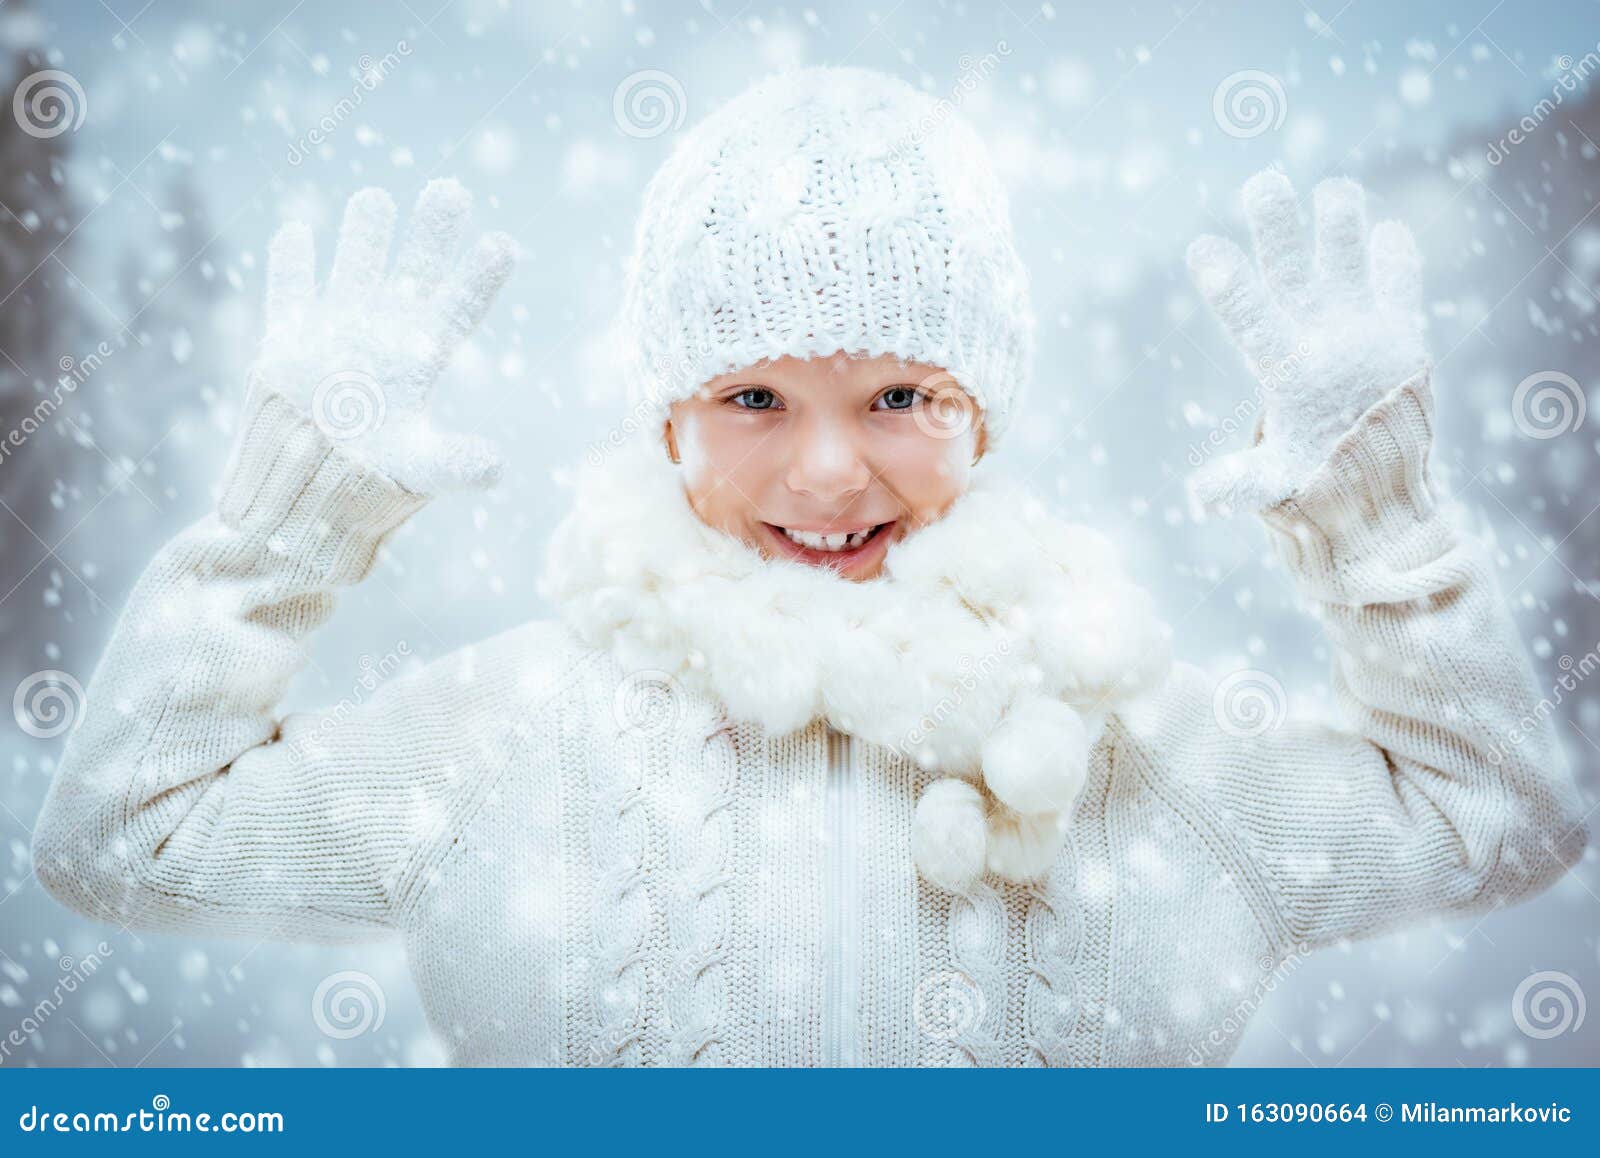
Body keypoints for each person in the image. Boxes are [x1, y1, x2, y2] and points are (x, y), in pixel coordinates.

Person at [31, 66, 1588, 1067]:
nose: (831, 471)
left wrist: (1376, 527)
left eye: (901, 395)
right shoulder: (507, 735)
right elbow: (122, 837)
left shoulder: (1142, 751)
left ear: (990, 415)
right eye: (754, 397)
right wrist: (285, 525)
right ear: (666, 425)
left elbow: (1497, 817)